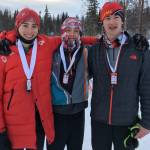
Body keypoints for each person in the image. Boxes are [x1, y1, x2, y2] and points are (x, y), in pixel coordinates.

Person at [88, 2, 150, 150]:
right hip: (99, 121)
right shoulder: (94, 50)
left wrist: (147, 121)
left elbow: (147, 86)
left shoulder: (138, 49)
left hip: (126, 121)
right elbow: (81, 75)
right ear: (102, 22)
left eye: (116, 16)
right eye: (107, 17)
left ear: (123, 20)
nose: (112, 21)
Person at [0, 8, 62, 150]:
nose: (30, 31)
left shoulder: (45, 44)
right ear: (17, 26)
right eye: (25, 25)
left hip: (39, 121)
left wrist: (102, 39)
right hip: (13, 126)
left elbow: (69, 37)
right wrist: (1, 131)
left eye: (34, 26)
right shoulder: (5, 51)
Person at [47, 17, 89, 150]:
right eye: (68, 30)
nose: (72, 34)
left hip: (78, 112)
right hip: (57, 113)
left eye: (76, 31)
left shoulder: (86, 52)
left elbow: (108, 44)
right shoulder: (52, 52)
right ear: (62, 32)